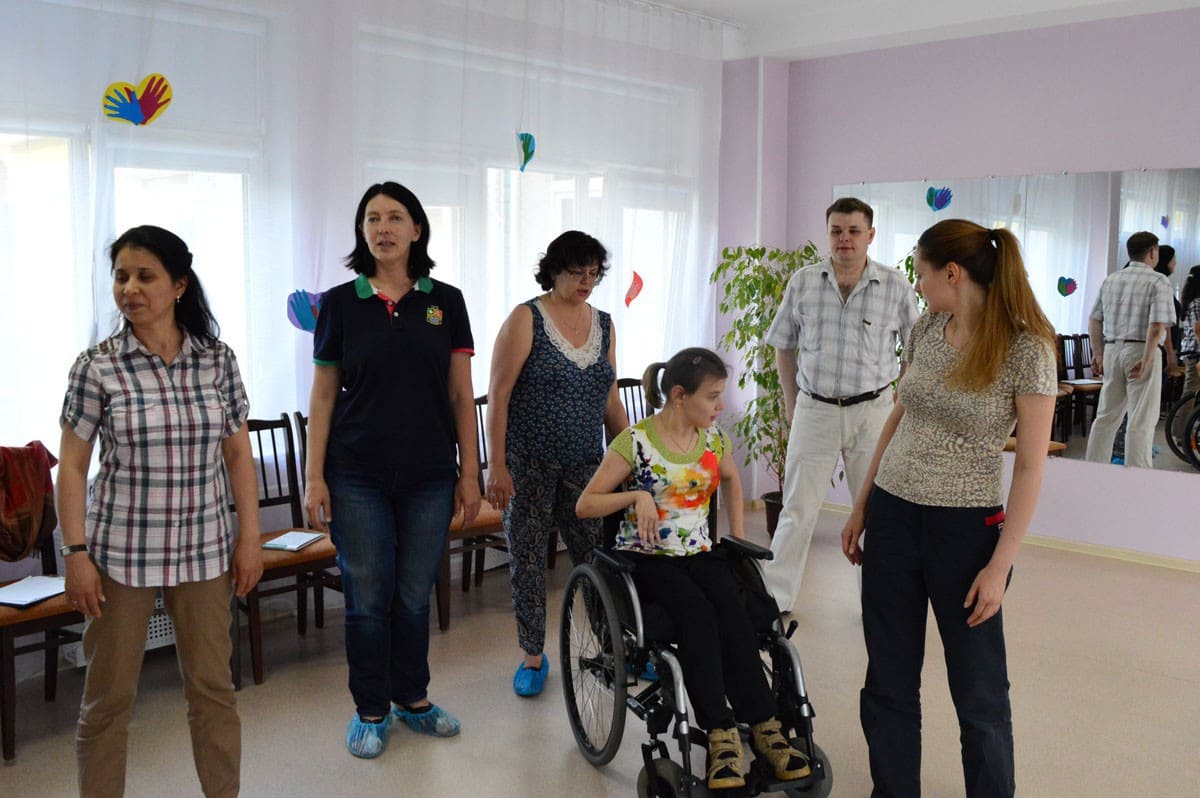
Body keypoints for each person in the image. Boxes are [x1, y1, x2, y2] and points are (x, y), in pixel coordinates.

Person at [841, 219, 1058, 798]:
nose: (918, 284)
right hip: (893, 515)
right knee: (888, 677)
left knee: (979, 689)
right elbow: (900, 413)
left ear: (953, 273)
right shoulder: (926, 329)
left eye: (922, 272)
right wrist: (863, 504)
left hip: (964, 532)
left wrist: (1000, 565)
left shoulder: (1027, 349)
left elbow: (1031, 468)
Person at [57, 225, 263, 797]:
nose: (130, 289)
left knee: (213, 692)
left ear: (178, 285)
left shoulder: (216, 360)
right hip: (121, 556)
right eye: (121, 276)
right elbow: (71, 467)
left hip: (204, 550)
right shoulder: (96, 366)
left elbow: (238, 454)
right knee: (107, 701)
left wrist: (249, 538)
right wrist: (75, 555)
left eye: (145, 276)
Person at [576, 348, 811, 791]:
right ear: (680, 395)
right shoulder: (635, 442)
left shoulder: (712, 438)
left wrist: (736, 536)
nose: (720, 405)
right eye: (713, 396)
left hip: (700, 553)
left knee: (733, 611)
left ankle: (765, 727)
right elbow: (585, 504)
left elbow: (732, 479)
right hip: (647, 558)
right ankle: (720, 733)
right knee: (697, 613)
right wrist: (636, 496)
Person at [304, 182, 481, 758]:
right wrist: (313, 476)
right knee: (367, 595)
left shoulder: (445, 302)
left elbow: (461, 396)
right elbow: (323, 395)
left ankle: (413, 698)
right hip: (356, 473)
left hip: (431, 472)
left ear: (416, 229)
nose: (383, 227)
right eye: (372, 218)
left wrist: (470, 473)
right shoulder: (340, 303)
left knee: (412, 594)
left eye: (395, 217)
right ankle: (371, 709)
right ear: (362, 231)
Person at [485, 230, 628, 697]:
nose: (586, 281)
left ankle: (613, 646)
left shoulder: (604, 324)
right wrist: (496, 466)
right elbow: (498, 396)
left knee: (598, 555)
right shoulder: (526, 318)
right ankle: (532, 656)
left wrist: (631, 456)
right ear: (553, 271)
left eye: (594, 273)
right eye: (576, 272)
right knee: (527, 561)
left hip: (586, 465)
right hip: (528, 465)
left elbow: (609, 400)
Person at [762, 197, 919, 612]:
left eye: (853, 231)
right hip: (815, 409)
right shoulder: (803, 282)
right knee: (797, 508)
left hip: (874, 412)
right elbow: (783, 344)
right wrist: (792, 405)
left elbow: (915, 348)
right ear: (828, 234)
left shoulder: (895, 286)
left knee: (877, 512)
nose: (844, 239)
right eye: (836, 231)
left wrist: (900, 403)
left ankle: (878, 603)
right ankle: (774, 599)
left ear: (870, 235)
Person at [1084, 231, 1175, 468]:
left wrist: (1098, 353)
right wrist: (1147, 359)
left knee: (1106, 416)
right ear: (1153, 252)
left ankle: (1092, 469)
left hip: (1112, 350)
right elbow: (1157, 325)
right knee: (1141, 419)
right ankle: (1138, 475)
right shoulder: (1158, 281)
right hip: (1141, 349)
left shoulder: (1111, 280)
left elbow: (1094, 319)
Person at [1180, 265, 1200, 398]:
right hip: (1196, 353)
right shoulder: (1198, 302)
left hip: (1191, 351)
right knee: (1190, 393)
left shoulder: (1190, 301)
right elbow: (1198, 329)